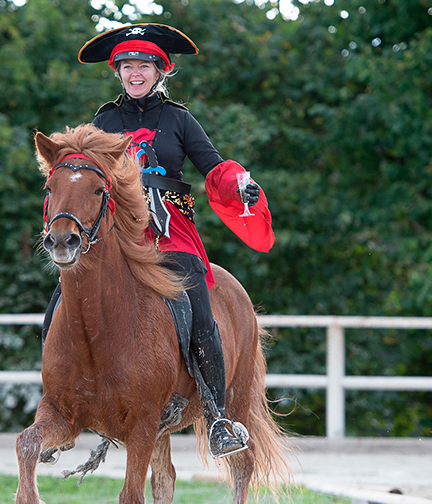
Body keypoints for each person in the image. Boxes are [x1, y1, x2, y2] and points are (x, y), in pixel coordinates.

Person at [43, 23, 273, 459]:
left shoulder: (180, 119)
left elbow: (213, 167)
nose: (135, 73)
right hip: (117, 231)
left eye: (143, 65)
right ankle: (61, 402)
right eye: (127, 65)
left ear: (160, 70)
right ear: (118, 72)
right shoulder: (105, 119)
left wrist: (240, 182)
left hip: (171, 232)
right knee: (61, 299)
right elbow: (81, 168)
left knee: (198, 304)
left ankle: (217, 415)